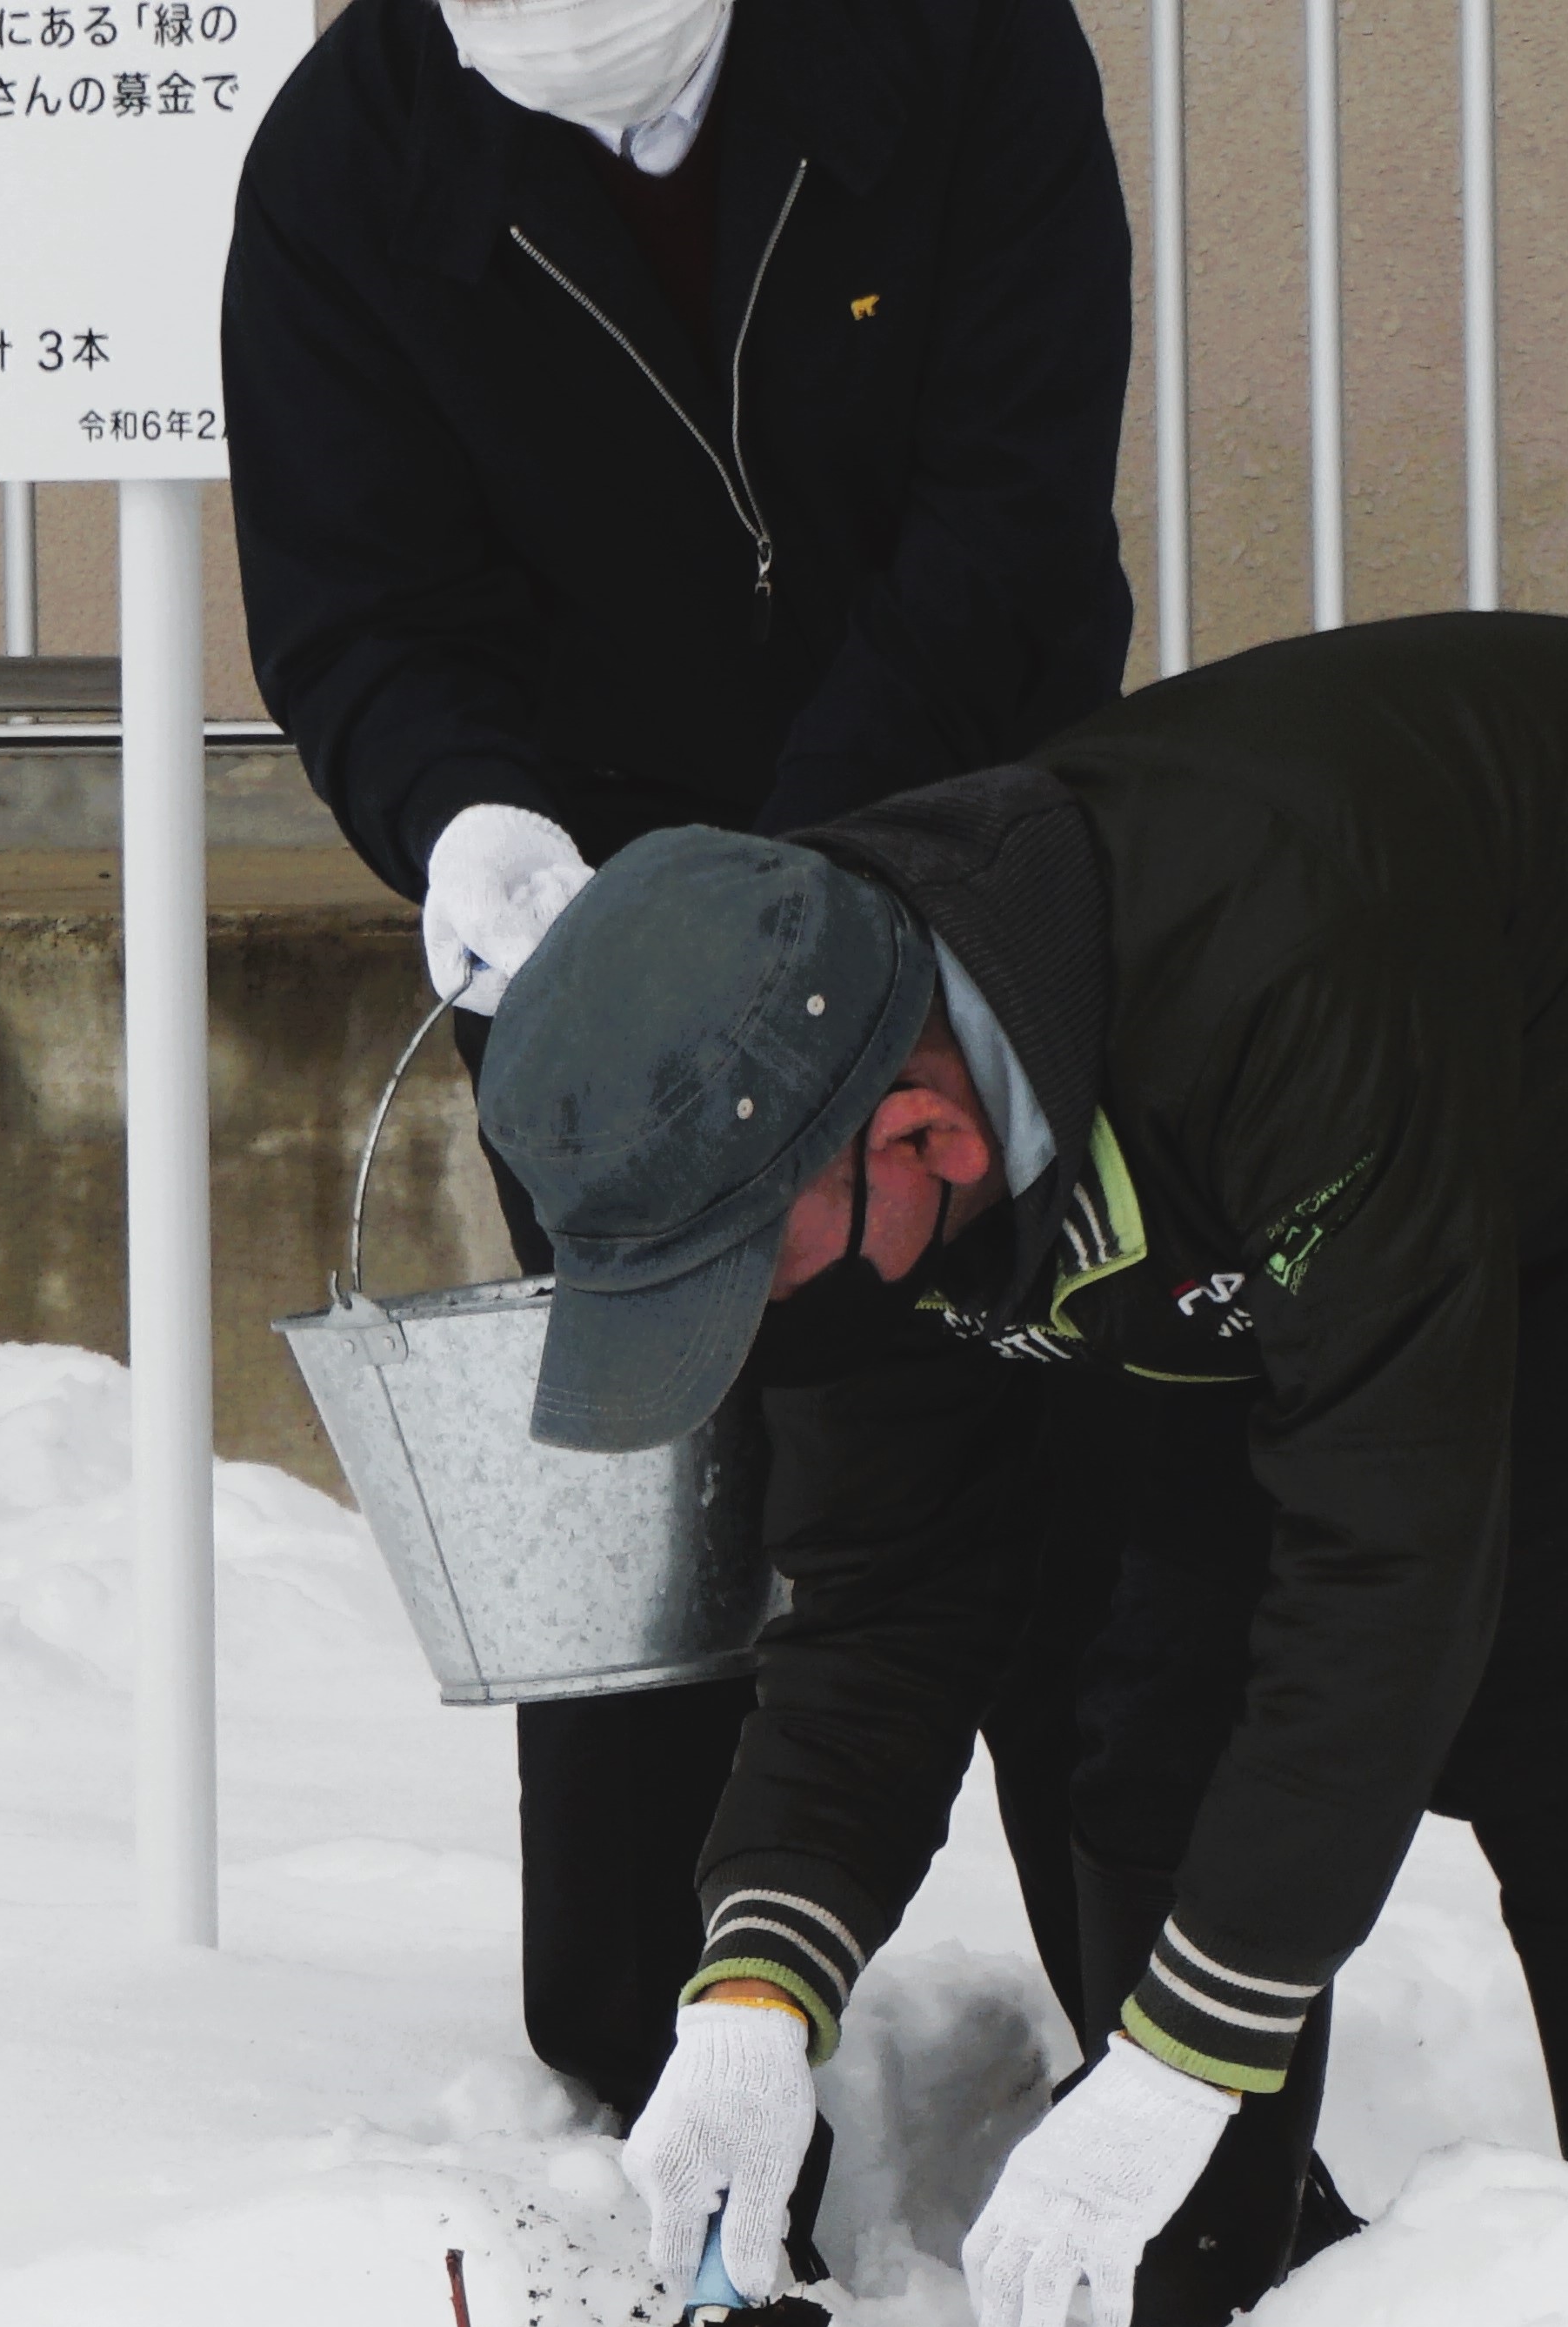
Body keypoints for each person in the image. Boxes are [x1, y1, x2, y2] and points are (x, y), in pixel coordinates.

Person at [472, 613, 1568, 2327]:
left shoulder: (1271, 991)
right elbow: (884, 1601)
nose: (749, 1323)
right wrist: (753, 1987)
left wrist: (1177, 2060)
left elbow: (1390, 1559)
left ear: (922, 1141)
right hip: (1360, 1103)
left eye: (738, 1277)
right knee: (1154, 1666)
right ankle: (1196, 2325)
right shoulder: (817, 1118)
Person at [220, 0, 1140, 2149]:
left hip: (954, 885)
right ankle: (657, 2046)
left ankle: (1153, 2014)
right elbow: (357, 608)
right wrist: (461, 812)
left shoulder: (956, 49)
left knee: (1037, 1456)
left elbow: (1009, 511)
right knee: (653, 1479)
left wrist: (798, 885)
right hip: (602, 954)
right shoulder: (357, 159)